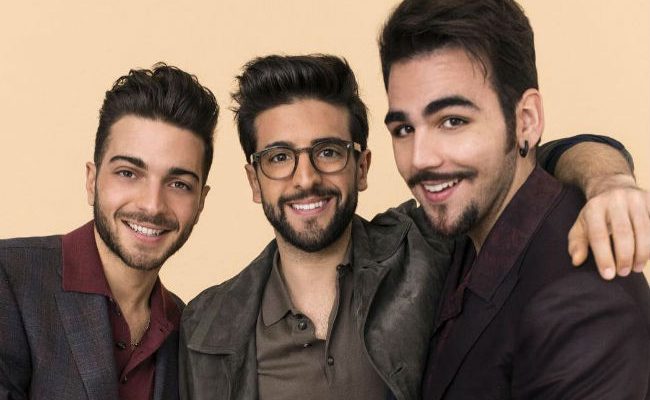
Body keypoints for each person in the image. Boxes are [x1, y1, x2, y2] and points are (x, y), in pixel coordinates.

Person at [179, 54, 647, 399]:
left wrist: (608, 180)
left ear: (362, 167)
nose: (305, 178)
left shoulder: (426, 242)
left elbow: (518, 166)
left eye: (328, 151)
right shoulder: (207, 326)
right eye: (279, 157)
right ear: (254, 180)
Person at [379, 0, 650, 398]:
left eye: (453, 121)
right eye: (404, 129)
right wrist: (606, 176)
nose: (420, 159)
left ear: (526, 120)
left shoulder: (584, 305)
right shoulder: (468, 222)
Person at [0, 63, 218, 400]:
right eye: (128, 173)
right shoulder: (10, 278)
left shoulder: (188, 329)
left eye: (179, 184)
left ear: (201, 202)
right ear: (92, 181)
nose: (152, 205)